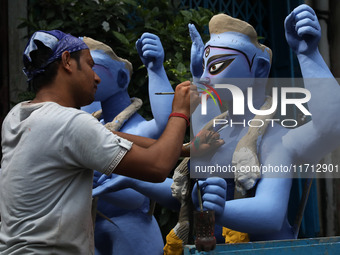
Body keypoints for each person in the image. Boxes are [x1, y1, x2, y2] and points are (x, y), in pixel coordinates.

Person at [0, 29, 215, 254]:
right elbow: (157, 166)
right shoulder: (70, 123)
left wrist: (184, 150)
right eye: (90, 65)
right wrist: (180, 112)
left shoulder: (18, 115)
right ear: (67, 62)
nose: (96, 77)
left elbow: (111, 137)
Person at [189, 4, 340, 242]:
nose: (207, 76)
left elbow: (270, 213)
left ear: (259, 68)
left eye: (216, 66)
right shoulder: (215, 133)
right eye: (204, 67)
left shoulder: (278, 138)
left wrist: (308, 55)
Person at [81, 34, 181, 255]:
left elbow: (167, 121)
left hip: (132, 229)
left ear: (121, 79)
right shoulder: (86, 124)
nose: (88, 74)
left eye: (93, 66)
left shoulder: (139, 131)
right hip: (89, 228)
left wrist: (156, 69)